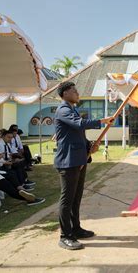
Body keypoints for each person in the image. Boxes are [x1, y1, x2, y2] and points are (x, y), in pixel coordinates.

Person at [54, 81, 114, 251]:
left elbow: (78, 134)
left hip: (79, 160)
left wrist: (89, 146)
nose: (77, 93)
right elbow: (80, 124)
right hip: (68, 161)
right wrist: (102, 120)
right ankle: (65, 236)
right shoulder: (63, 110)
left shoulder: (72, 110)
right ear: (65, 93)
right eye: (74, 90)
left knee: (76, 198)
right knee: (67, 199)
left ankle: (76, 229)